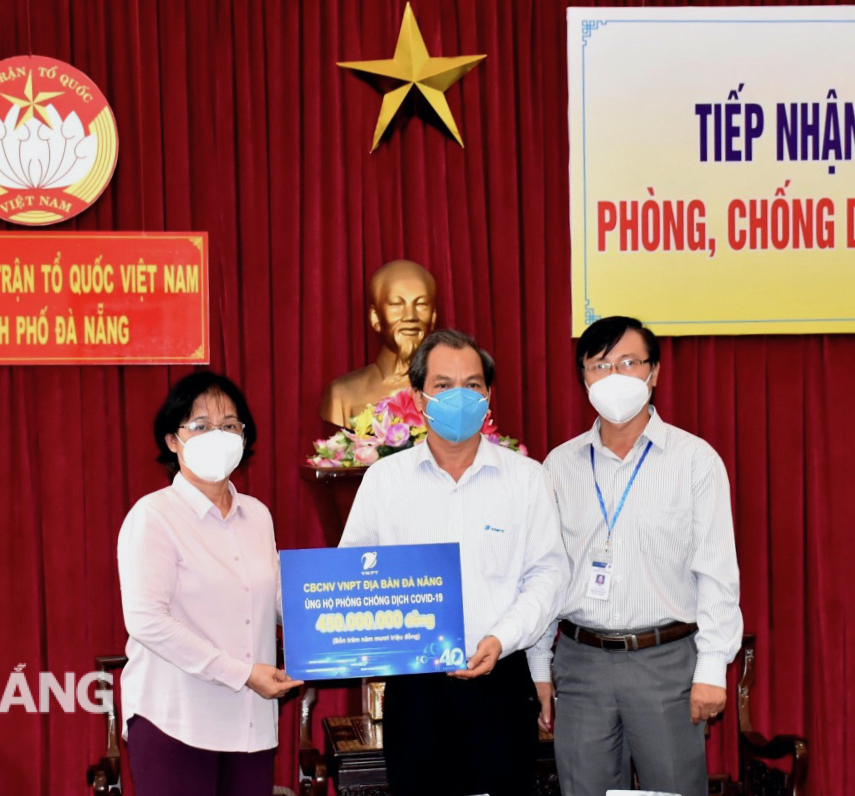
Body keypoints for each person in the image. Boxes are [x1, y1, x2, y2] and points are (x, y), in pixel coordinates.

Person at [339, 328, 569, 796]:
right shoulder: (385, 480)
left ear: (489, 397)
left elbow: (549, 574)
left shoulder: (527, 479)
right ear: (419, 400)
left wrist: (501, 639)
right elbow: (351, 575)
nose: (459, 396)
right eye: (444, 385)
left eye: (473, 384)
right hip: (415, 688)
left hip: (502, 678)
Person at [530, 315, 742, 796]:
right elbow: (545, 573)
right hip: (582, 664)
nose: (615, 376)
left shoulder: (695, 461)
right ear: (583, 377)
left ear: (654, 373)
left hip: (665, 662)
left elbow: (716, 574)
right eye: (600, 365)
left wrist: (712, 670)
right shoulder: (558, 466)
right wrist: (540, 669)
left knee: (673, 789)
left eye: (629, 362)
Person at [117, 372, 302, 796]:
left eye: (229, 425)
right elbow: (146, 621)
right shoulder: (154, 516)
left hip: (249, 724)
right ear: (172, 440)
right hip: (177, 722)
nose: (217, 435)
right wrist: (240, 673)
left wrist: (332, 626)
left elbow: (279, 598)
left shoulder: (257, 515)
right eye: (199, 425)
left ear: (244, 436)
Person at [319, 259, 438, 426]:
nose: (410, 316)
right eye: (397, 304)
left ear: (433, 317)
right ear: (375, 317)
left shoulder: (453, 393)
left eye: (421, 304)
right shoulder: (342, 395)